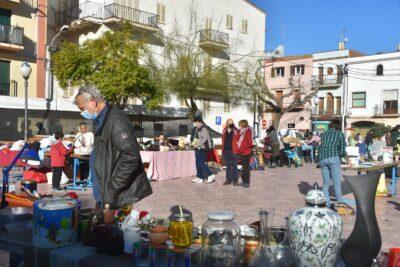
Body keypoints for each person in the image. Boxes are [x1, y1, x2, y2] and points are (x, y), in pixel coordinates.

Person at [74, 85, 152, 209]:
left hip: (115, 194)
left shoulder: (116, 120)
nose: (82, 112)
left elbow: (131, 156)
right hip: (104, 191)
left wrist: (112, 189)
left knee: (113, 227)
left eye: (82, 108)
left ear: (92, 101)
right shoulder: (100, 120)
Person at [318, 120, 352, 207]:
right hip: (333, 158)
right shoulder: (339, 134)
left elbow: (321, 146)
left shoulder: (324, 134)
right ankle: (340, 202)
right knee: (336, 183)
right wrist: (348, 160)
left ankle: (326, 203)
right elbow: (342, 150)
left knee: (326, 183)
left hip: (322, 159)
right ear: (338, 126)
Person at [191, 118, 215, 184]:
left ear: (201, 122)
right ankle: (200, 177)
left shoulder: (204, 128)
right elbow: (194, 138)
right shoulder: (197, 129)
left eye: (197, 122)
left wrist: (194, 144)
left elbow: (204, 139)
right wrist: (193, 144)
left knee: (201, 163)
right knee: (198, 163)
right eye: (195, 123)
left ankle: (210, 174)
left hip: (203, 148)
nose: (195, 124)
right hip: (197, 148)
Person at [221, 119, 240, 185]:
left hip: (233, 151)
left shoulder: (235, 130)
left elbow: (239, 138)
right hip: (226, 151)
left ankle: (235, 180)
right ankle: (228, 180)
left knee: (235, 165)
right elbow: (222, 139)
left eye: (231, 123)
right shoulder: (224, 130)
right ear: (227, 123)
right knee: (228, 166)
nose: (230, 124)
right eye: (229, 123)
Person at [237, 120, 253, 188]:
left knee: (246, 168)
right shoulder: (243, 132)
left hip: (246, 152)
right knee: (244, 168)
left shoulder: (247, 131)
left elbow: (249, 142)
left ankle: (247, 182)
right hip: (243, 152)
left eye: (239, 125)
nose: (238, 126)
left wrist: (243, 148)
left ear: (242, 125)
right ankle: (244, 181)